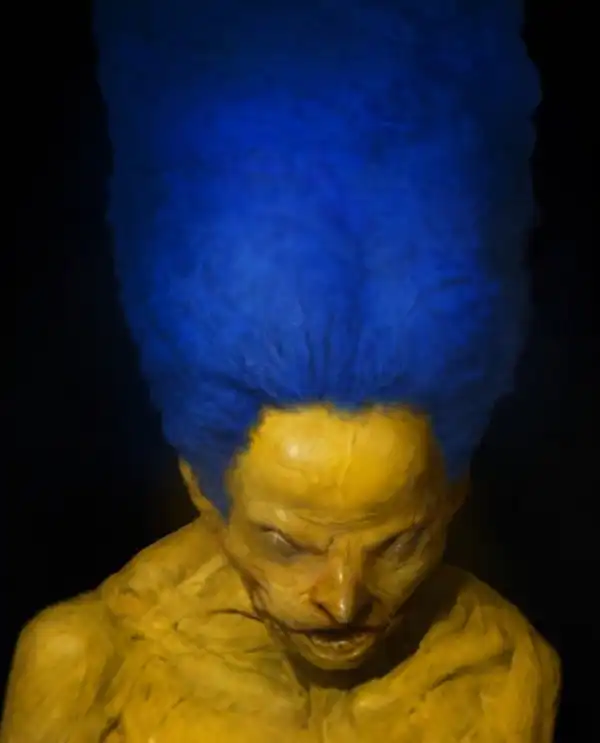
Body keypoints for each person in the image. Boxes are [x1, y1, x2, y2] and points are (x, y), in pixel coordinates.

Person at [0, 2, 560, 741]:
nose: (343, 601)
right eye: (288, 543)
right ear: (203, 489)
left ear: (454, 495)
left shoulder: (503, 671)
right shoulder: (95, 665)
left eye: (398, 544)